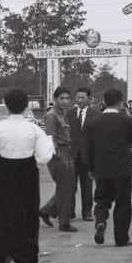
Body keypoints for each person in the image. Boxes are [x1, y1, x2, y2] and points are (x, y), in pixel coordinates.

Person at [0, 89, 54, 263]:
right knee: (27, 217)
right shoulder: (34, 129)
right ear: (26, 105)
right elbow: (45, 155)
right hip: (27, 173)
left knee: (0, 216)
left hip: (5, 173)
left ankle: (3, 254)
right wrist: (35, 165)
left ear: (6, 105)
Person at [87, 88, 132, 247]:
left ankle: (101, 221)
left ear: (103, 102)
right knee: (123, 203)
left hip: (101, 169)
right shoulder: (124, 120)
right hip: (121, 169)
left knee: (102, 200)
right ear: (121, 102)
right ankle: (121, 238)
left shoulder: (94, 122)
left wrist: (91, 168)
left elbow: (89, 147)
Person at [38, 86, 78, 233]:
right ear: (55, 99)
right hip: (58, 153)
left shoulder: (63, 113)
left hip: (67, 152)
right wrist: (58, 157)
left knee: (70, 187)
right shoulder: (51, 115)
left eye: (67, 98)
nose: (65, 101)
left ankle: (46, 211)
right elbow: (50, 138)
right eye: (62, 98)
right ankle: (64, 223)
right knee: (65, 189)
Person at [67, 87, 100, 222]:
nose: (80, 100)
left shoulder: (96, 114)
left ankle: (87, 212)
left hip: (88, 156)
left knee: (87, 186)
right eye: (78, 97)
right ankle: (70, 212)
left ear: (89, 99)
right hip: (72, 155)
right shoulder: (68, 114)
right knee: (71, 186)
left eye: (83, 98)